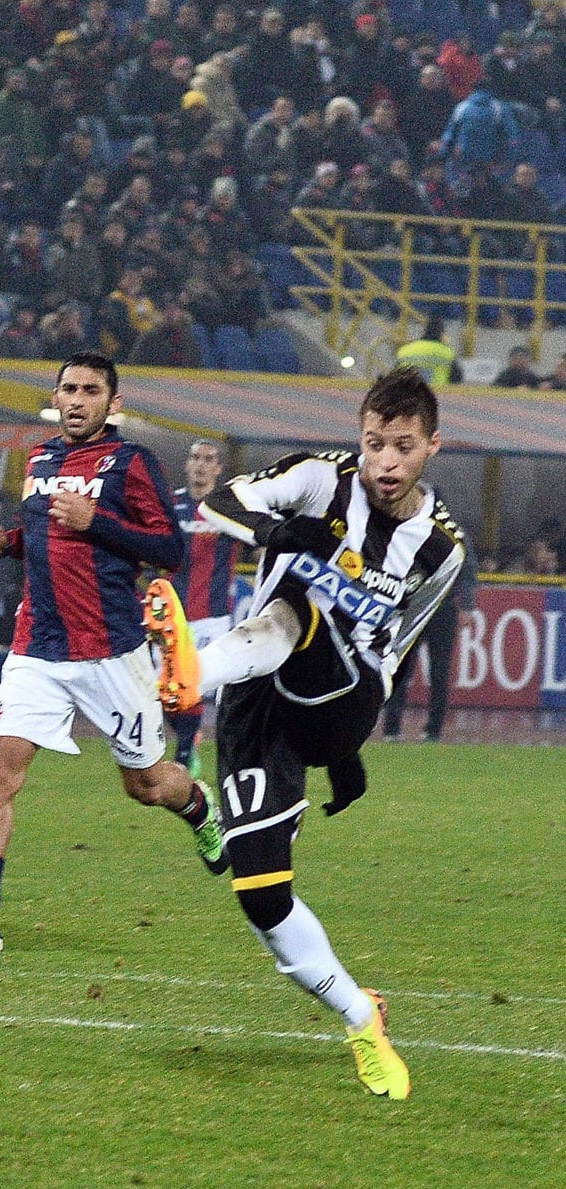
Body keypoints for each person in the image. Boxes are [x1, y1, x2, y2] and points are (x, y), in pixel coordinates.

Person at [146, 368, 466, 1100]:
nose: (386, 461)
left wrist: (351, 748)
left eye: (403, 447)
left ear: (432, 447)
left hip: (348, 695)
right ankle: (361, 1015)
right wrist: (271, 530)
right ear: (360, 438)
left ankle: (195, 673)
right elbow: (221, 500)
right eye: (375, 442)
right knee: (261, 892)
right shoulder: (321, 480)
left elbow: (402, 644)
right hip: (264, 699)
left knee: (301, 602)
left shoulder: (440, 549)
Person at [0, 353, 221, 961]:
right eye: (68, 389)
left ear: (112, 404)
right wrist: (6, 543)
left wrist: (99, 521)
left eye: (90, 391)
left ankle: (199, 807)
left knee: (147, 786)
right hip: (37, 647)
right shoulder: (39, 458)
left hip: (110, 652)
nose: (77, 399)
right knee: (0, 773)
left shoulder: (131, 463)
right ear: (56, 395)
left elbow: (169, 550)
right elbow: (45, 535)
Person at [162, 439, 245, 773]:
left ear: (219, 468)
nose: (200, 465)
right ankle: (187, 737)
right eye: (195, 457)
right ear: (187, 464)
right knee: (166, 692)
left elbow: (259, 538)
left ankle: (184, 752)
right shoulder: (171, 505)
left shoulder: (228, 508)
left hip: (212, 617)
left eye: (208, 459)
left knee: (191, 685)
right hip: (169, 615)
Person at [382, 551, 474, 743]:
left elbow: (467, 570)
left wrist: (466, 604)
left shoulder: (453, 533)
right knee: (400, 668)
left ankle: (432, 731)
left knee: (439, 672)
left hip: (440, 609)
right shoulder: (418, 528)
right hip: (413, 608)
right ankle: (392, 728)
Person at [394, 315, 460, 384]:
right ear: (441, 334)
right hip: (437, 393)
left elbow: (395, 377)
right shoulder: (447, 353)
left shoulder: (405, 350)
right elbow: (457, 378)